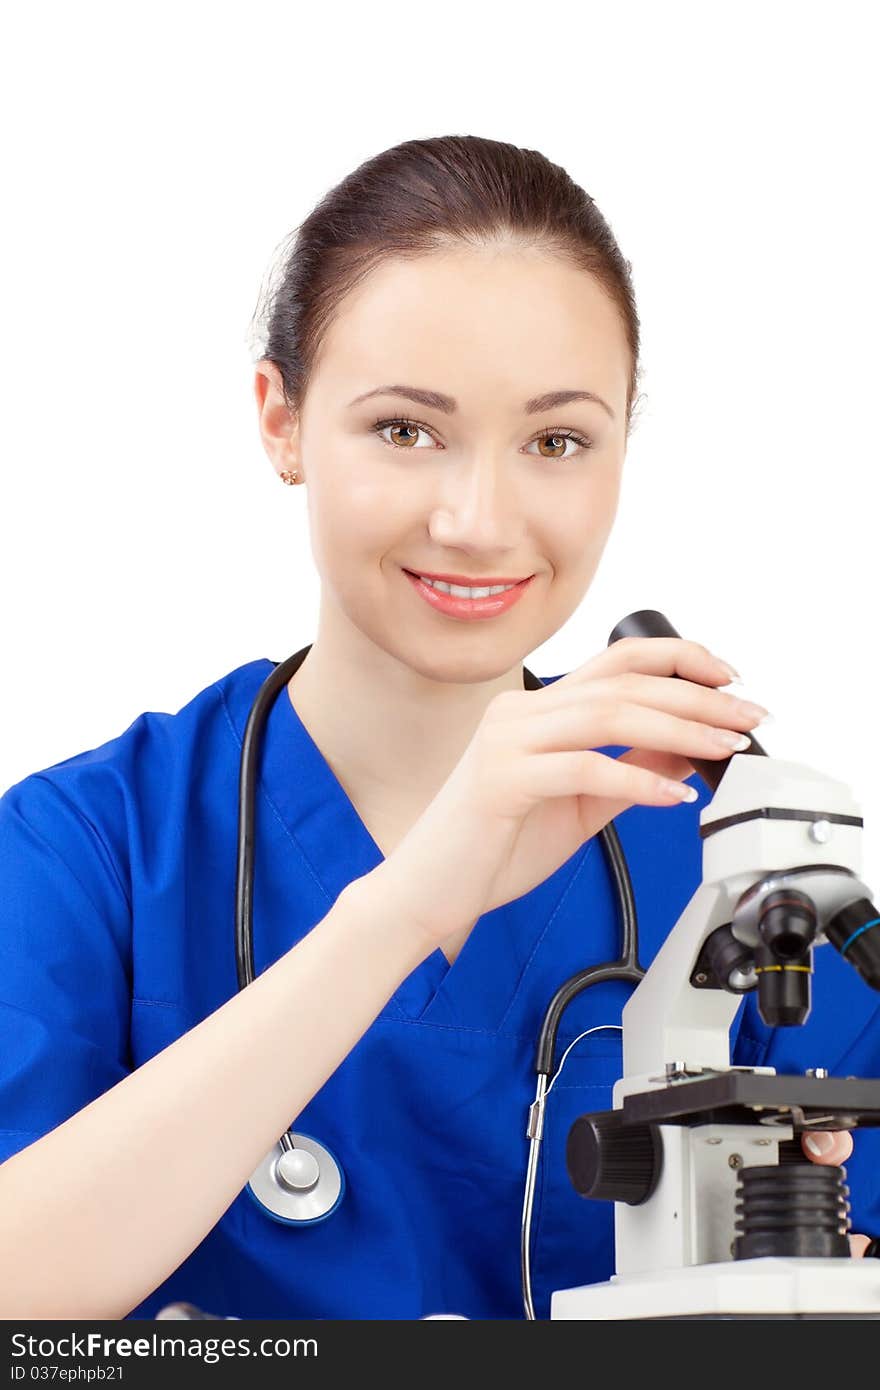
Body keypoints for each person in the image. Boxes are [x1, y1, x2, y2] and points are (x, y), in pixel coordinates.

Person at [0, 134, 876, 1322]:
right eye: (406, 430)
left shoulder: (739, 869)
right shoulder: (89, 850)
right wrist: (410, 902)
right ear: (282, 421)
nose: (477, 519)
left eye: (556, 441)